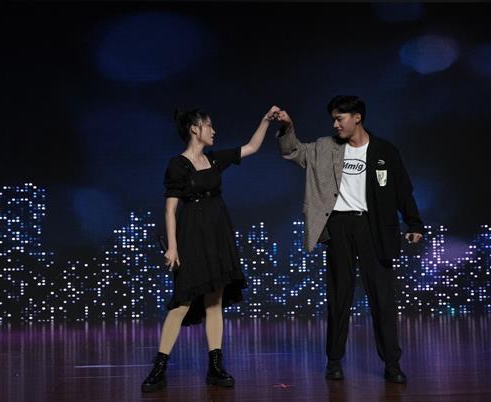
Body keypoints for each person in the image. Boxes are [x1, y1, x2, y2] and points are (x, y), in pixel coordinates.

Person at [274, 95, 424, 383]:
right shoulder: (325, 147)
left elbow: (402, 190)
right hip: (339, 226)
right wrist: (288, 127)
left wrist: (414, 222)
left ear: (357, 117)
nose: (335, 124)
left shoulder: (384, 150)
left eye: (339, 118)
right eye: (333, 119)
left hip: (372, 226)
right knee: (339, 296)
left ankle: (392, 363)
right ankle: (334, 361)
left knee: (382, 298)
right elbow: (293, 151)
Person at [141, 105, 281, 392]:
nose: (214, 131)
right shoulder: (178, 165)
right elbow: (170, 210)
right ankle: (159, 367)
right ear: (195, 128)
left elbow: (252, 147)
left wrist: (265, 120)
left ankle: (215, 367)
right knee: (182, 302)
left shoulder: (215, 159)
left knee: (214, 302)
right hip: (191, 237)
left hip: (218, 236)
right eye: (209, 125)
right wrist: (172, 247)